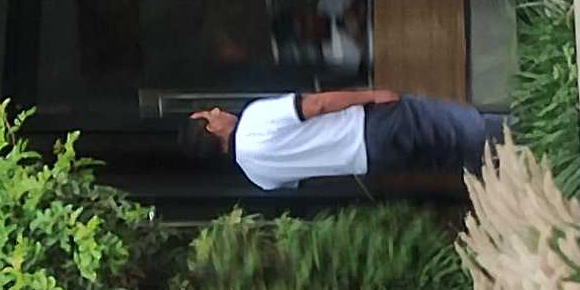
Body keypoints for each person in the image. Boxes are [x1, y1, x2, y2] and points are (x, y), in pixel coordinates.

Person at [186, 87, 505, 192]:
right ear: (211, 130)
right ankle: (522, 136)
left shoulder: (258, 177)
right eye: (210, 115)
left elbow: (312, 178)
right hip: (370, 124)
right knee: (462, 127)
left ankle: (512, 167)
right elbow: (317, 105)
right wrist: (372, 95)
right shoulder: (254, 118)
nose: (217, 111)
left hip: (371, 162)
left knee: (452, 157)